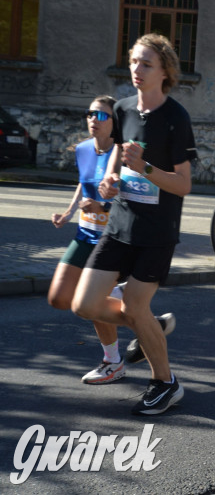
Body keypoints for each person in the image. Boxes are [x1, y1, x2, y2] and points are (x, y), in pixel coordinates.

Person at [70, 33, 197, 416]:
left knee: (135, 306)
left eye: (146, 64)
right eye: (133, 62)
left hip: (156, 232)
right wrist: (111, 178)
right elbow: (117, 154)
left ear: (165, 72)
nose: (136, 70)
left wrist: (144, 168)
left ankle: (165, 382)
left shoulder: (176, 118)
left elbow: (184, 185)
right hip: (120, 225)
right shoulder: (123, 108)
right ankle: (149, 326)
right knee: (83, 304)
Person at [50, 96, 128, 384]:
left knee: (93, 302)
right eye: (90, 114)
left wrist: (102, 207)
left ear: (114, 123)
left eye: (102, 115)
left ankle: (113, 362)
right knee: (59, 298)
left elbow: (131, 197)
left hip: (111, 239)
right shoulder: (83, 149)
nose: (94, 119)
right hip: (85, 234)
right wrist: (69, 212)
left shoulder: (123, 153)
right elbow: (84, 182)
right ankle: (136, 312)